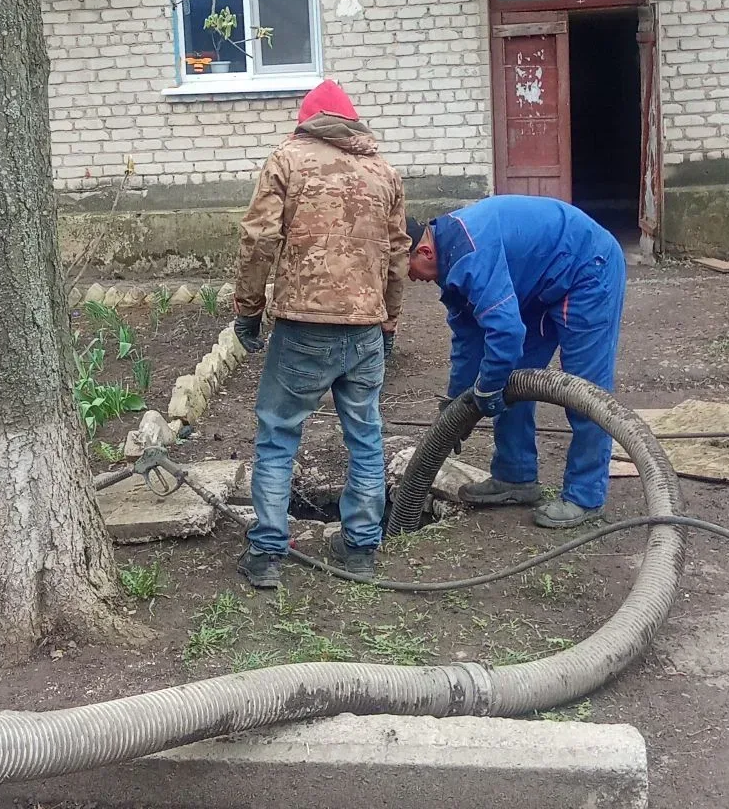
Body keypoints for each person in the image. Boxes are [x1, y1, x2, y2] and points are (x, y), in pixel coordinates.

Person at [233, 79, 410, 588]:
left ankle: (267, 553)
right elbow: (398, 254)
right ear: (351, 121)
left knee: (278, 434)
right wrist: (389, 321)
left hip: (303, 328)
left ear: (307, 121)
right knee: (366, 436)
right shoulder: (384, 172)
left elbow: (258, 239)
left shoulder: (286, 161)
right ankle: (360, 547)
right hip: (365, 327)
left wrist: (249, 310)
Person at [406, 195, 626, 528]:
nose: (410, 279)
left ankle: (586, 496)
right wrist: (456, 405)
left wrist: (485, 389)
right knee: (511, 381)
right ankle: (515, 477)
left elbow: (506, 332)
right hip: (538, 282)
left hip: (585, 267)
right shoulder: (450, 258)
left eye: (407, 269)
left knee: (585, 390)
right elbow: (468, 339)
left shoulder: (469, 255)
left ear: (424, 252)